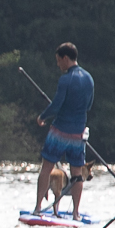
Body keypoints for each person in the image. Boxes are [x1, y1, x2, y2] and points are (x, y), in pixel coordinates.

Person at [32, 43, 95, 218]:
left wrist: (42, 117)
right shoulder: (89, 79)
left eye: (58, 60)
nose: (58, 64)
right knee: (77, 173)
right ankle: (75, 213)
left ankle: (38, 208)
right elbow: (89, 105)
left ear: (65, 58)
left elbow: (57, 105)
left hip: (60, 130)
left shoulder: (65, 79)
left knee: (46, 168)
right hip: (78, 133)